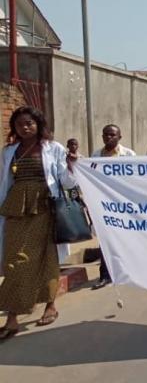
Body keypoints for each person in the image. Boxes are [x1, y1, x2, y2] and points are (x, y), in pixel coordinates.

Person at [0, 106, 77, 340]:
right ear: (14, 127)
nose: (25, 127)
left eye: (29, 123)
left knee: (46, 258)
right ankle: (13, 315)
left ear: (38, 125)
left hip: (44, 209)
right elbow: (4, 181)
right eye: (20, 124)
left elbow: (67, 181)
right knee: (14, 261)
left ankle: (48, 306)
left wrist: (72, 164)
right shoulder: (9, 151)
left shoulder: (53, 148)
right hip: (15, 210)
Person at [90, 124, 136, 290]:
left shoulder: (129, 155)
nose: (108, 137)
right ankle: (104, 275)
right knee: (104, 240)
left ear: (119, 137)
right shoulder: (96, 155)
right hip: (103, 204)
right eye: (105, 135)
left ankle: (128, 270)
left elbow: (135, 179)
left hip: (121, 204)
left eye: (112, 135)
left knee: (124, 238)